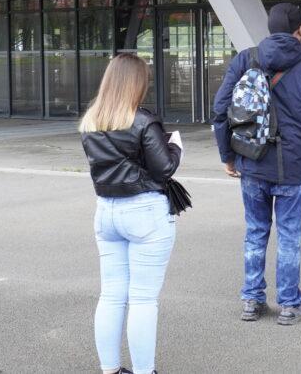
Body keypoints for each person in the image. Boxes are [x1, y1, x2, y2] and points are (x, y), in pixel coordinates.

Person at [212, 3, 301, 326]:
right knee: (289, 235)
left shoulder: (246, 59)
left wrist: (228, 154)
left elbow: (220, 109)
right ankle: (289, 304)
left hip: (251, 160)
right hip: (293, 165)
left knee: (255, 231)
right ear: (300, 31)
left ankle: (252, 299)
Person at [79, 53, 182, 374]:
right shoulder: (142, 121)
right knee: (142, 299)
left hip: (107, 212)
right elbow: (164, 167)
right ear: (138, 83)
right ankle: (143, 370)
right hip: (145, 212)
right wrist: (176, 145)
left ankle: (110, 369)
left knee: (111, 295)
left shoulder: (91, 121)